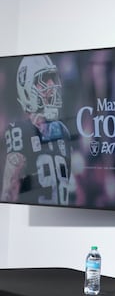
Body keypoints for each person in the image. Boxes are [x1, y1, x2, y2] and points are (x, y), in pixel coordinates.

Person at [1, 54, 72, 205]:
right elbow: (9, 193)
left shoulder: (63, 133)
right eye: (44, 79)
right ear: (26, 89)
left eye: (53, 78)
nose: (52, 85)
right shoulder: (19, 131)